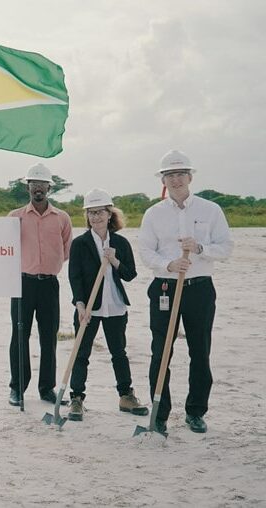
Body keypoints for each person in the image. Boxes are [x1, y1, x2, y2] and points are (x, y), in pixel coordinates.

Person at [139, 149, 233, 434]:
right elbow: (145, 252)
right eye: (170, 175)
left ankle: (195, 411)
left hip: (199, 289)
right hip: (165, 288)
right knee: (161, 352)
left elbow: (226, 247)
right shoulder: (153, 213)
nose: (176, 179)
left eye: (180, 174)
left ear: (190, 177)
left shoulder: (210, 210)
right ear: (163, 180)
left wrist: (200, 249)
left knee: (200, 351)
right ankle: (159, 414)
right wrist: (169, 263)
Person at [66, 188, 148, 421]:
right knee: (81, 353)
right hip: (89, 307)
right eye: (91, 213)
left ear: (110, 214)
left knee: (118, 352)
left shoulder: (120, 242)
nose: (96, 217)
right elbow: (75, 277)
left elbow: (130, 274)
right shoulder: (80, 244)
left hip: (116, 306)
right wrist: (80, 305)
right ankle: (76, 399)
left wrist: (114, 259)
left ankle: (126, 396)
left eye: (100, 212)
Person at [7, 163, 72, 406]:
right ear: (28, 187)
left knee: (49, 337)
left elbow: (65, 250)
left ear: (49, 187)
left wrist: (48, 266)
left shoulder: (61, 218)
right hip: (22, 284)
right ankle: (17, 388)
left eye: (42, 184)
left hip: (49, 284)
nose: (38, 188)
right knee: (19, 336)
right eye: (34, 183)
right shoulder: (15, 217)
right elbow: (6, 250)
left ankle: (47, 388)